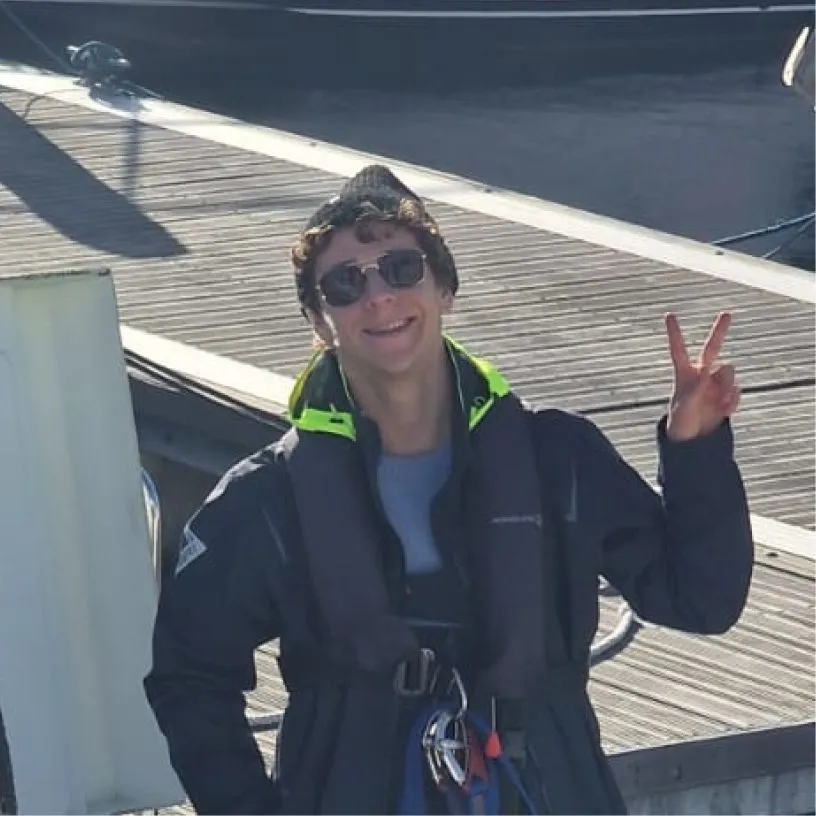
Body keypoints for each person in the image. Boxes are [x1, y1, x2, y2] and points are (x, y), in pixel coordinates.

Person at [144, 164, 753, 815]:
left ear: (445, 288)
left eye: (401, 269)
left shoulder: (559, 459)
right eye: (345, 283)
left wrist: (696, 449)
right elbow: (190, 677)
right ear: (320, 321)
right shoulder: (265, 500)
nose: (379, 296)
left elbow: (702, 599)